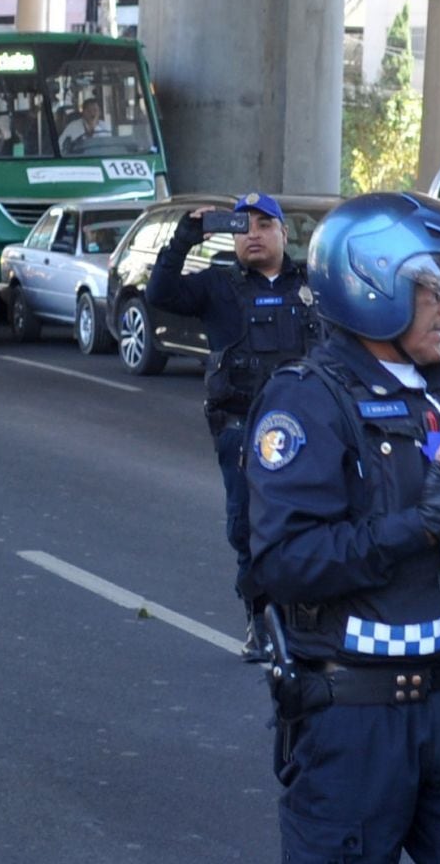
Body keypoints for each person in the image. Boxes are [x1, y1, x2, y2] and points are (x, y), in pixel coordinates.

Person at [245, 191, 440, 863]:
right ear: (370, 281)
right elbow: (286, 562)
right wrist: (416, 527)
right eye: (432, 286)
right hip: (356, 721)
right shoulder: (308, 399)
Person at [146, 192, 318, 655]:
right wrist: (185, 237)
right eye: (243, 226)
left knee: (316, 521)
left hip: (313, 431)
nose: (254, 234)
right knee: (249, 528)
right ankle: (260, 620)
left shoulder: (313, 287)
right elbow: (160, 293)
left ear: (285, 234)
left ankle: (309, 615)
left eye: (265, 224)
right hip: (244, 429)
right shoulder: (219, 286)